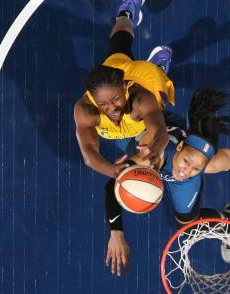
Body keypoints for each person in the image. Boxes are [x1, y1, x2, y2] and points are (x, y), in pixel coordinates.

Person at [104, 88, 230, 276]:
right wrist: (116, 233)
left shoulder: (209, 162)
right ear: (180, 146)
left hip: (178, 173)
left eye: (196, 169)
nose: (185, 171)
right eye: (186, 161)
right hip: (136, 135)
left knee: (187, 229)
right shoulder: (152, 157)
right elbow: (113, 184)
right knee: (117, 110)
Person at [74, 0, 175, 179]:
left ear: (124, 86)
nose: (112, 108)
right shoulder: (86, 109)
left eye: (115, 100)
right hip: (117, 73)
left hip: (143, 77)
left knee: (156, 84)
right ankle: (126, 16)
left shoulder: (141, 100)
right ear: (93, 98)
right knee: (118, 47)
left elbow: (160, 131)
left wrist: (156, 147)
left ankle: (156, 64)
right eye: (103, 104)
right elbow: (89, 155)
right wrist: (112, 170)